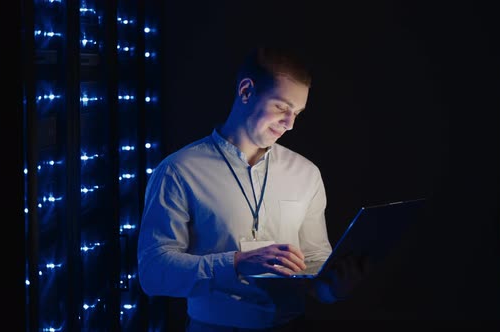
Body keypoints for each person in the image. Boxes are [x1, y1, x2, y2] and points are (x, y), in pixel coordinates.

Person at [137, 46, 367, 331]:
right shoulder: (178, 170)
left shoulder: (306, 173)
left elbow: (312, 263)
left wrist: (334, 289)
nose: (290, 124)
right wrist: (236, 263)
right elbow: (152, 272)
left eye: (297, 112)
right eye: (282, 107)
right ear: (246, 91)